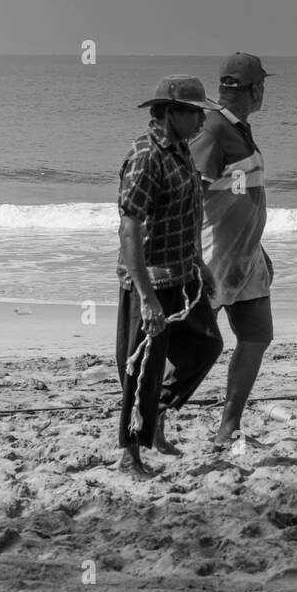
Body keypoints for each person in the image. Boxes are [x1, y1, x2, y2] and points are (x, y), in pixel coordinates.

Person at [115, 74, 223, 477]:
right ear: (170, 112)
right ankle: (130, 455)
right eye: (195, 113)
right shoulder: (146, 157)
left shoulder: (180, 149)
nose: (201, 121)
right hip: (151, 281)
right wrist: (146, 298)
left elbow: (187, 214)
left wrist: (199, 263)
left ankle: (157, 412)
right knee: (142, 369)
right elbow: (129, 229)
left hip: (183, 273)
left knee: (207, 346)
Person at [176, 52, 276, 448]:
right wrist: (191, 258)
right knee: (195, 345)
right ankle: (156, 418)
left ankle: (229, 426)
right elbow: (191, 197)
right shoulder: (214, 129)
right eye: (262, 85)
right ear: (254, 89)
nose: (263, 92)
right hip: (214, 258)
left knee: (256, 336)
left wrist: (257, 246)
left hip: (246, 259)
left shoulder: (237, 127)